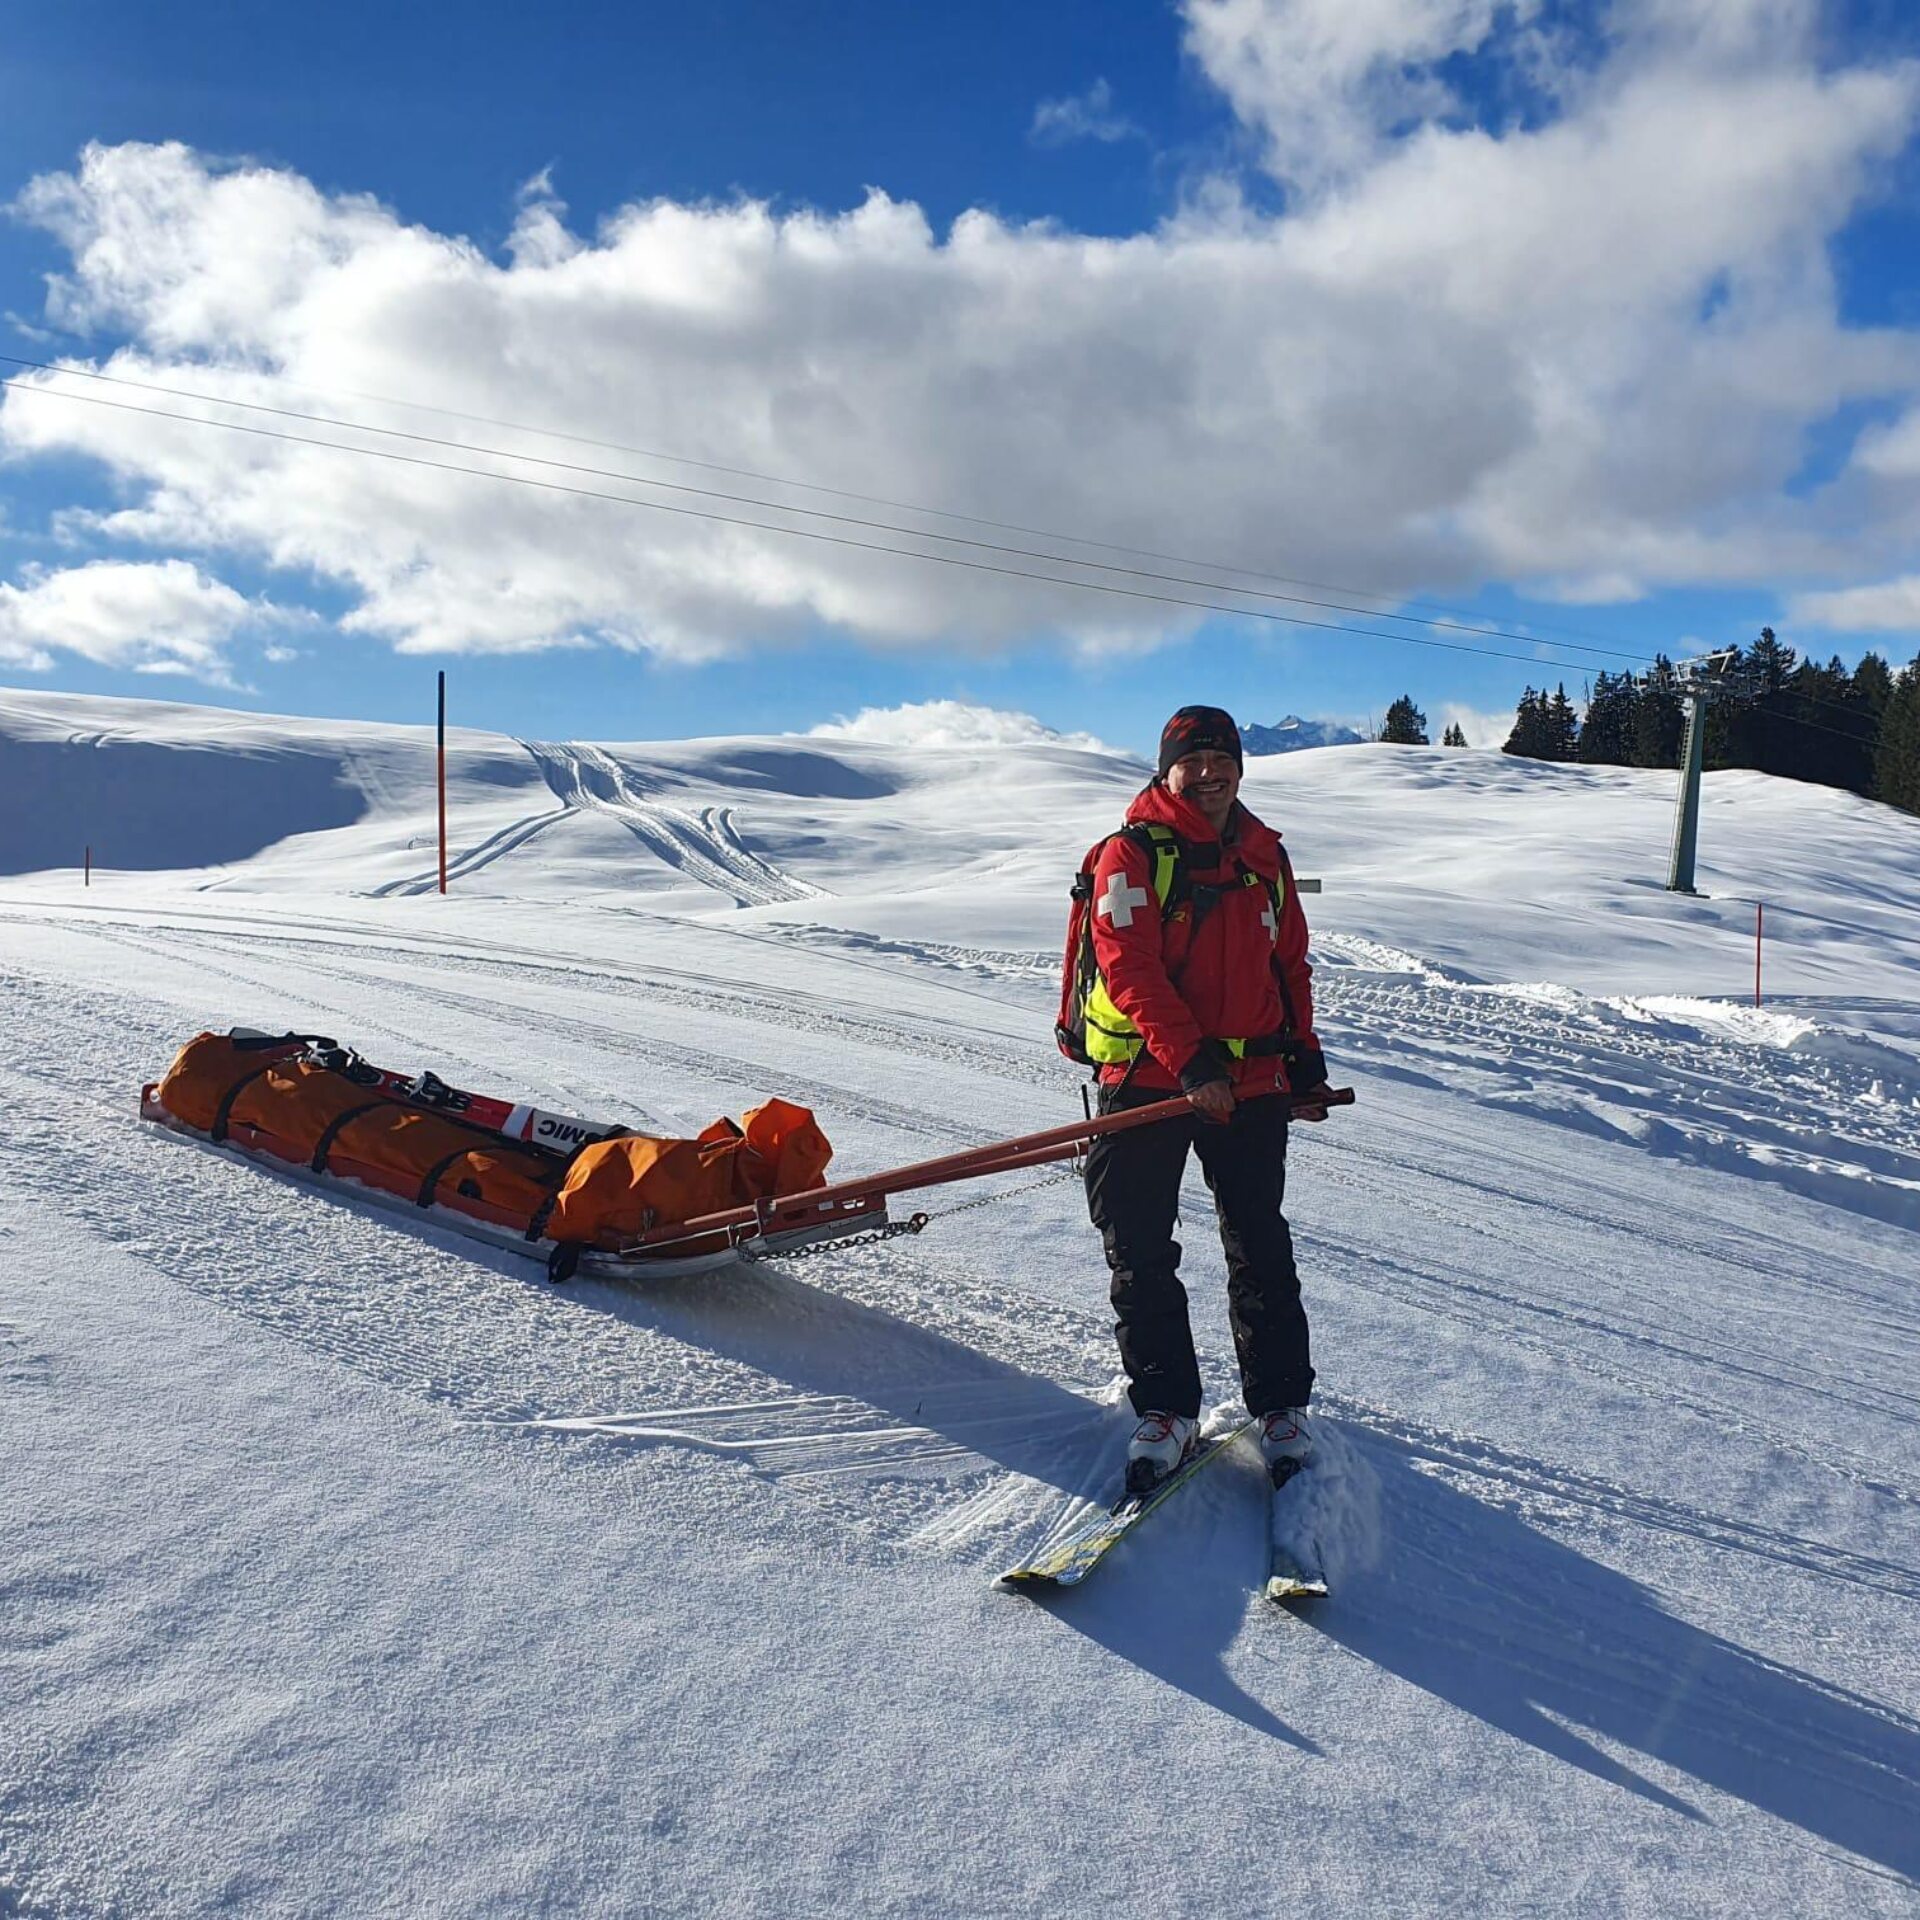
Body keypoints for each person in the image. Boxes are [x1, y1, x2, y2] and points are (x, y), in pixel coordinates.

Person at [1080, 705, 1330, 1493]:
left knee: (1260, 1240)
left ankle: (1280, 1405)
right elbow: (1130, 969)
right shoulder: (1131, 854)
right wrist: (1191, 1065)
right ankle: (1165, 1409)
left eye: (1225, 758)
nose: (1212, 772)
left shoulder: (1264, 856)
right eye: (1196, 761)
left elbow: (1289, 962)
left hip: (1252, 1079)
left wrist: (1305, 1059)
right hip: (1147, 1079)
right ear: (1168, 769)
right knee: (1140, 1246)